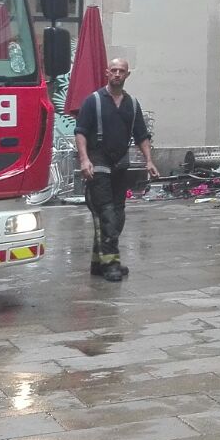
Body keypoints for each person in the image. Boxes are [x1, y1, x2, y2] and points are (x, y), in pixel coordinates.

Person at [75, 58, 160, 282]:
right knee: (107, 214)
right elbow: (81, 132)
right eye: (113, 70)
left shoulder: (132, 104)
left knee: (118, 214)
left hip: (120, 163)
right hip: (98, 161)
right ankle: (111, 263)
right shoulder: (93, 101)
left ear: (127, 75)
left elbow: (142, 136)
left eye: (121, 71)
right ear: (106, 73)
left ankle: (98, 262)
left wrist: (149, 161)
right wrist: (84, 160)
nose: (117, 74)